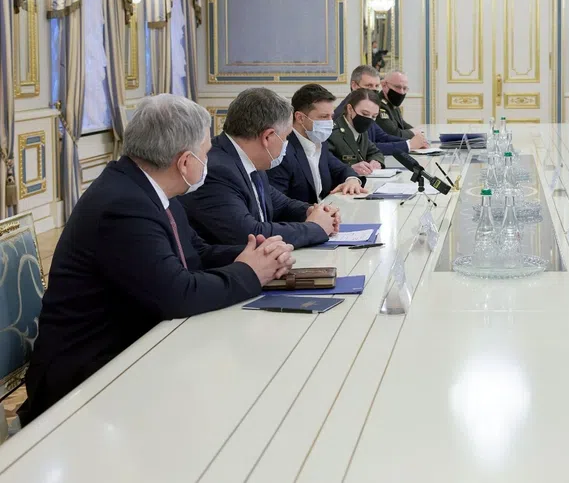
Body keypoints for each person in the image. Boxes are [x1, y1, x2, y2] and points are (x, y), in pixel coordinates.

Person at [19, 95, 295, 424]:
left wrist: (257, 256)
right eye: (206, 152)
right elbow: (177, 294)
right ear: (185, 162)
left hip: (136, 346)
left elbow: (196, 253)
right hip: (88, 377)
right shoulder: (123, 206)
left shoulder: (148, 186)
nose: (209, 160)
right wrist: (250, 272)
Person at [182, 88, 341, 249]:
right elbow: (250, 234)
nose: (286, 143)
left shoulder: (251, 160)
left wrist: (312, 211)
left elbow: (281, 204)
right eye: (285, 137)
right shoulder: (217, 170)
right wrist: (315, 228)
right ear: (267, 137)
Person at [268, 84, 366, 204]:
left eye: (331, 116)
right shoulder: (282, 150)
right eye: (324, 117)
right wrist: (312, 211)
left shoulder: (319, 142)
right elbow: (277, 204)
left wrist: (352, 180)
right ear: (300, 118)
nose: (330, 122)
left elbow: (341, 169)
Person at [343, 65, 428, 154]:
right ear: (354, 85)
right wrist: (409, 145)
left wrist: (413, 142)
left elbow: (383, 137)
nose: (373, 90)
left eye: (376, 86)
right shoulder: (344, 112)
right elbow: (364, 147)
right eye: (369, 86)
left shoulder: (370, 109)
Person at [328, 88, 387, 175]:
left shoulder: (361, 131)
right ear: (350, 109)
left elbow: (375, 152)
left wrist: (375, 161)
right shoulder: (332, 133)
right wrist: (350, 168)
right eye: (365, 114)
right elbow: (326, 164)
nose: (369, 119)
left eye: (374, 116)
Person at [377, 70, 421, 140]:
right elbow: (394, 134)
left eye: (404, 88)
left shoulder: (392, 103)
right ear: (384, 85)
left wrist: (418, 132)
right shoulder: (378, 105)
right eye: (397, 87)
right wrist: (413, 133)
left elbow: (402, 124)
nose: (401, 92)